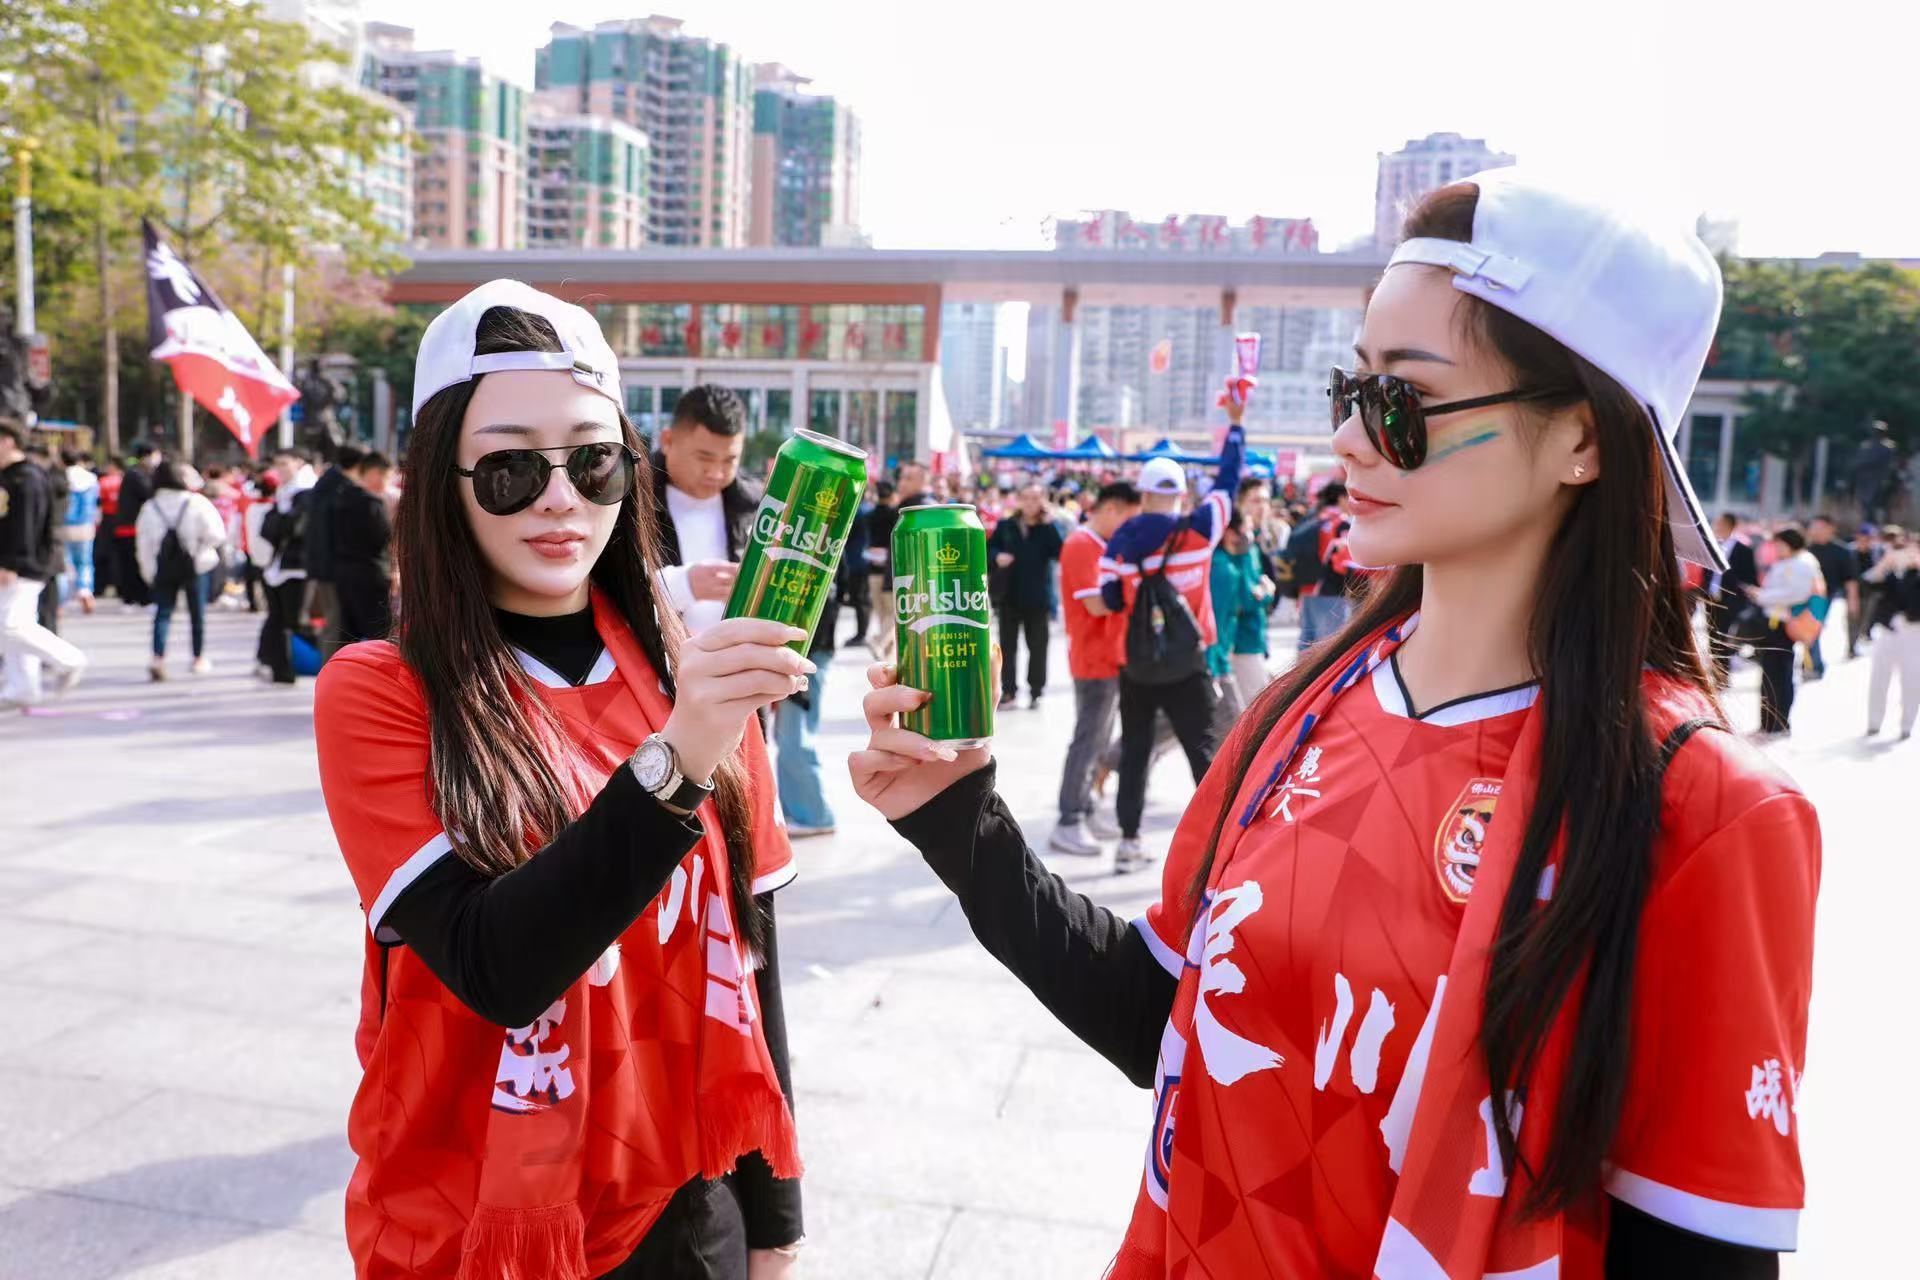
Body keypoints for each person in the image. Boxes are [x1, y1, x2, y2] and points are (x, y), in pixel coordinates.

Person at [853, 170, 1819, 1279]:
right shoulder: (1296, 711)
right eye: (1348, 390)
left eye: (1402, 400)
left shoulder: (1703, 808)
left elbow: (1697, 1249)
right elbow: (1168, 1017)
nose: (1351, 440)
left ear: (1582, 438)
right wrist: (962, 820)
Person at [314, 282, 805, 1280]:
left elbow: (750, 968)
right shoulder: (381, 689)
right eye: (509, 467)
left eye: (592, 460)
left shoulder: (689, 672)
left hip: (682, 1210)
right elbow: (497, 964)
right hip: (464, 1224)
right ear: (441, 478)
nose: (559, 498)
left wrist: (776, 1228)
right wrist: (680, 754)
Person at [1096, 403, 1245, 869]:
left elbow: (1111, 599)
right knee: (1203, 751)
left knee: (1136, 751)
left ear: (1142, 494)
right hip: (1188, 663)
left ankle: (1129, 841)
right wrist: (1235, 425)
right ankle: (1216, 847)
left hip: (1137, 664)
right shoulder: (1201, 528)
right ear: (1181, 493)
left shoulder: (1121, 540)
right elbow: (1228, 482)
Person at [1050, 479, 1140, 856]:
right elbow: (1096, 604)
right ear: (1111, 509)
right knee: (1088, 740)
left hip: (1111, 656)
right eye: (1129, 520)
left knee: (1100, 739)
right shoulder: (1081, 545)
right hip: (1093, 659)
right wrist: (1137, 589)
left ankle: (1085, 809)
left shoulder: (1103, 546)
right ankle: (1069, 819)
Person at [649, 385, 759, 637]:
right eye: (704, 458)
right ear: (668, 441)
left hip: (739, 654)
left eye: (730, 460)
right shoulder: (629, 501)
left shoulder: (755, 507)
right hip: (655, 655)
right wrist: (681, 586)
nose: (716, 473)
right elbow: (604, 589)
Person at [0, 421, 88, 707]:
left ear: (8, 441)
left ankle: (69, 659)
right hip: (15, 562)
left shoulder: (26, 479)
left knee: (9, 626)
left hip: (25, 564)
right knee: (17, 624)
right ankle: (23, 688)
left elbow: (27, 526)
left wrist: (12, 563)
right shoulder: (10, 477)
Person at [135, 459, 226, 679]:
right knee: (197, 613)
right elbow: (217, 535)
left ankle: (158, 657)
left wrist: (148, 570)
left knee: (163, 613)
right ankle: (198, 657)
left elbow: (143, 544)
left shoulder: (150, 507)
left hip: (163, 566)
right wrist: (199, 548)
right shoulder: (197, 502)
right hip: (194, 564)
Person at [989, 479, 1065, 709]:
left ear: (1043, 501)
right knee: (1007, 648)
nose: (1031, 503)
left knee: (1038, 647)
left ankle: (1036, 691)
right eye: (1027, 498)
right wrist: (997, 556)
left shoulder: (1048, 527)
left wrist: (1050, 525)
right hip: (1009, 595)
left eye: (1036, 498)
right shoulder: (1006, 525)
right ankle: (1009, 691)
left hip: (1038, 597)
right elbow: (989, 549)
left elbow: (1061, 552)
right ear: (1019, 500)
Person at [1746, 525, 1824, 738]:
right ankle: (1769, 722)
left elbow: (1796, 593)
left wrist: (1763, 596)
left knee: (1778, 674)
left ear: (1791, 544)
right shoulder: (1794, 561)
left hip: (1782, 624)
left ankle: (1778, 722)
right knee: (1772, 674)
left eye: (1780, 544)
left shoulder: (1801, 563)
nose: (1777, 548)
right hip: (1776, 621)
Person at [774, 582, 839, 838]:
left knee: (795, 738)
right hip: (805, 652)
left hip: (806, 654)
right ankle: (798, 811)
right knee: (789, 737)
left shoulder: (819, 572)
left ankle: (814, 814)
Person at [1206, 512, 1269, 749]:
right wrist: (1217, 663)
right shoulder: (1223, 568)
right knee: (1236, 727)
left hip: (1220, 655)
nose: (1249, 535)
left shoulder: (1228, 562)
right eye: (1246, 529)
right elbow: (1219, 620)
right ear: (1229, 533)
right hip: (1218, 658)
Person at [257, 446, 318, 684]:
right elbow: (268, 528)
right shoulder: (286, 492)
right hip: (279, 567)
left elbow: (294, 528)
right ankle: (279, 667)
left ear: (299, 463)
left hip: (298, 568)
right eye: (277, 464)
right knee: (279, 619)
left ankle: (293, 666)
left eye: (284, 463)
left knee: (293, 622)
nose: (280, 469)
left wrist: (279, 523)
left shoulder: (306, 491)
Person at [331, 450, 396, 644]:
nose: (387, 483)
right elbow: (383, 539)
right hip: (372, 574)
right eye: (386, 477)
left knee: (347, 634)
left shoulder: (339, 498)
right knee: (379, 635)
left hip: (344, 574)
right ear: (375, 473)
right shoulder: (372, 503)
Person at [1862, 526, 1920, 740]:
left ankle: (1907, 725)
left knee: (1912, 680)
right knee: (1879, 677)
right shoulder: (1891, 573)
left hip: (1914, 632)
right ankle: (1874, 722)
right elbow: (1867, 583)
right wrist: (1885, 563)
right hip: (1888, 629)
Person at [1285, 482, 1354, 652]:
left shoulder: (1312, 519)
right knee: (1329, 646)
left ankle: (1301, 671)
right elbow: (1344, 563)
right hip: (1330, 590)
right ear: (1341, 498)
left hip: (1306, 589)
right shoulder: (1340, 524)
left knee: (1306, 642)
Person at [1704, 511, 1761, 687]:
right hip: (1711, 598)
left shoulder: (1743, 550)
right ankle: (1714, 672)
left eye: (1720, 524)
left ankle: (1723, 675)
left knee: (1725, 636)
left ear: (1730, 526)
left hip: (1731, 600)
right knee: (1712, 635)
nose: (1717, 527)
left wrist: (1739, 590)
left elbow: (1749, 577)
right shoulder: (1712, 545)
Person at [1803, 515, 1858, 673]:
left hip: (1826, 596)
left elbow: (1850, 579)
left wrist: (1852, 601)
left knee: (1813, 628)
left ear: (1831, 528)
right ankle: (1810, 663)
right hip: (1803, 595)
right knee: (1806, 629)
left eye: (1819, 527)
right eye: (1813, 527)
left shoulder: (1841, 551)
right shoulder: (1806, 548)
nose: (1815, 531)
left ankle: (1814, 665)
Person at [113, 440, 162, 608]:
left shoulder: (136, 473)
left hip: (132, 527)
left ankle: (136, 597)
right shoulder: (136, 475)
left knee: (134, 563)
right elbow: (150, 493)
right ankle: (137, 598)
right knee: (134, 564)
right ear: (147, 456)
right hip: (131, 528)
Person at [61, 450, 100, 614]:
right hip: (85, 525)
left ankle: (60, 600)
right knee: (85, 562)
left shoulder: (61, 478)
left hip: (64, 526)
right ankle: (85, 591)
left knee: (63, 565)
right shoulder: (91, 479)